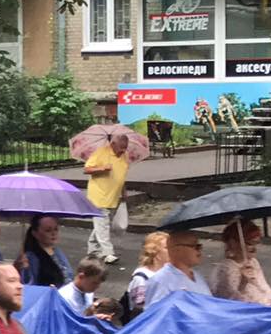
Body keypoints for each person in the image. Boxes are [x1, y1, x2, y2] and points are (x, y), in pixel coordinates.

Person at [81, 132, 133, 264]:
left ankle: (93, 250)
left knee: (101, 225)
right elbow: (86, 169)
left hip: (113, 196)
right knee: (102, 224)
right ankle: (107, 253)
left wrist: (123, 191)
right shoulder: (101, 153)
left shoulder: (124, 156)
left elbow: (121, 175)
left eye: (125, 147)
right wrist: (102, 168)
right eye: (121, 147)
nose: (123, 150)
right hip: (99, 196)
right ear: (113, 144)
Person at [211, 217, 271, 304]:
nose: (254, 249)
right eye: (250, 243)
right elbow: (227, 303)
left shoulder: (253, 262)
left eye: (256, 243)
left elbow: (265, 290)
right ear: (233, 243)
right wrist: (243, 282)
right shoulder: (225, 269)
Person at [145, 230, 211, 308]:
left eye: (200, 246)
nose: (200, 250)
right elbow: (158, 316)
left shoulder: (198, 277)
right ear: (177, 249)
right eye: (195, 247)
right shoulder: (162, 281)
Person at [17, 213, 73, 288]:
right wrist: (25, 270)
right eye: (48, 230)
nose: (53, 233)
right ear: (35, 233)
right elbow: (29, 285)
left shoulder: (57, 251)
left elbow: (69, 275)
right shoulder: (31, 257)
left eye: (56, 229)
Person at [124, 231, 170, 315]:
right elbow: (139, 308)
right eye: (167, 248)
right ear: (154, 252)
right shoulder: (141, 278)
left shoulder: (170, 273)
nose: (172, 251)